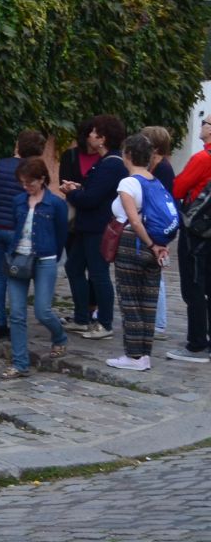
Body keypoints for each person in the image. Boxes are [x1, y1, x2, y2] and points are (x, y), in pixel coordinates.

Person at [110, 133, 177, 372]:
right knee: (148, 303)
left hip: (134, 244)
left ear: (128, 154)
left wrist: (149, 244)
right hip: (156, 245)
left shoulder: (128, 183)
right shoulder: (154, 181)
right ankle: (145, 355)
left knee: (130, 300)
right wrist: (158, 244)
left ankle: (134, 355)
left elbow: (135, 221)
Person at [0, 158, 69, 380]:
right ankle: (20, 363)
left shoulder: (55, 204)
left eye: (29, 182)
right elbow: (15, 226)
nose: (25, 186)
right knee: (17, 313)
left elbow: (62, 233)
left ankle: (59, 336)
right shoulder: (18, 201)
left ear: (42, 179)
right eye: (22, 182)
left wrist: (53, 255)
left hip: (44, 259)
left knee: (42, 310)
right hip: (19, 258)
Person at [61, 114, 127, 339]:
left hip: (98, 227)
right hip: (87, 226)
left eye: (94, 132)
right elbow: (93, 191)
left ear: (102, 138)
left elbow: (91, 199)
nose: (89, 134)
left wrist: (73, 192)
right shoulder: (105, 162)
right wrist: (78, 188)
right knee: (73, 267)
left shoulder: (111, 164)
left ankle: (105, 323)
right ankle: (82, 318)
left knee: (99, 274)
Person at [0, 130, 43, 341]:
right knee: (17, 277)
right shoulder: (32, 172)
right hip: (18, 230)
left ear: (17, 145)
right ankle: (16, 324)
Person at [170, 113, 211, 364]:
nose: (202, 125)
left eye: (205, 122)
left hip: (196, 230)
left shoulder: (202, 158)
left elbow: (177, 188)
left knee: (193, 285)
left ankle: (196, 344)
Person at [141, 125, 175, 338]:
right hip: (152, 225)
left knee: (156, 274)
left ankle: (159, 323)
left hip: (157, 227)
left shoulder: (162, 169)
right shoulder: (155, 166)